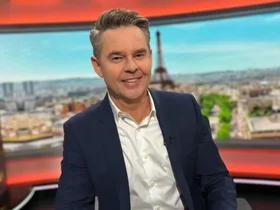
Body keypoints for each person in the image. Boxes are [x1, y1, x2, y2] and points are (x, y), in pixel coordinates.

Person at [55, 8, 237, 210]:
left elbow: (216, 180)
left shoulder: (185, 108)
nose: (132, 66)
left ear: (150, 56)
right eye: (117, 58)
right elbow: (73, 205)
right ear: (98, 66)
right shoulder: (81, 130)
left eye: (139, 54)